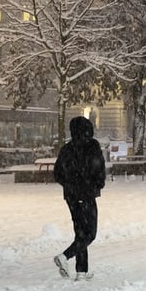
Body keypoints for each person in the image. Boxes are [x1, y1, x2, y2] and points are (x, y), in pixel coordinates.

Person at [53, 116, 106, 281]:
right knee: (90, 233)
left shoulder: (67, 149)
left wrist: (69, 185)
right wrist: (96, 184)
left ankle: (81, 271)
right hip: (86, 194)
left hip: (71, 196)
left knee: (80, 232)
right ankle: (64, 256)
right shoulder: (92, 146)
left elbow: (57, 173)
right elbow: (99, 168)